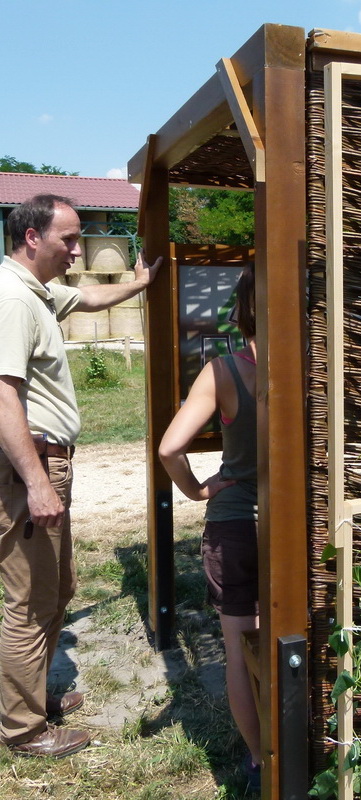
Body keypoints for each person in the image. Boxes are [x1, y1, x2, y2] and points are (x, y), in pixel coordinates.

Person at [0, 194, 162, 757]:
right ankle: (23, 728)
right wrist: (37, 482)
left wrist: (139, 284)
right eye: (68, 239)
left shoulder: (40, 293)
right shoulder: (13, 301)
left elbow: (92, 296)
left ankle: (33, 693)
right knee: (30, 600)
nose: (77, 249)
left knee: (59, 586)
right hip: (31, 468)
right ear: (31, 238)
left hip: (46, 463)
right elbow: (3, 397)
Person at [158, 264, 260, 791]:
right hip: (295, 528)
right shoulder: (313, 366)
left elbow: (170, 448)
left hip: (235, 525)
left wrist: (197, 490)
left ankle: (261, 759)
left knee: (240, 653)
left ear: (240, 310)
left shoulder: (224, 371)